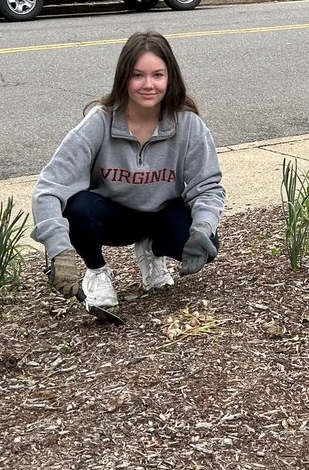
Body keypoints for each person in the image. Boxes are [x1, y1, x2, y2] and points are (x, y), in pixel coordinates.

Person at [32, 31, 224, 318]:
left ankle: (151, 253)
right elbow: (48, 188)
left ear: (170, 78)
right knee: (77, 206)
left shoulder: (189, 125)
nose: (149, 85)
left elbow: (208, 187)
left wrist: (203, 228)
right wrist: (59, 249)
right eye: (138, 75)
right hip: (112, 219)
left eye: (157, 75)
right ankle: (97, 273)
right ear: (124, 78)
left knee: (206, 244)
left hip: (161, 215)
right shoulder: (99, 122)